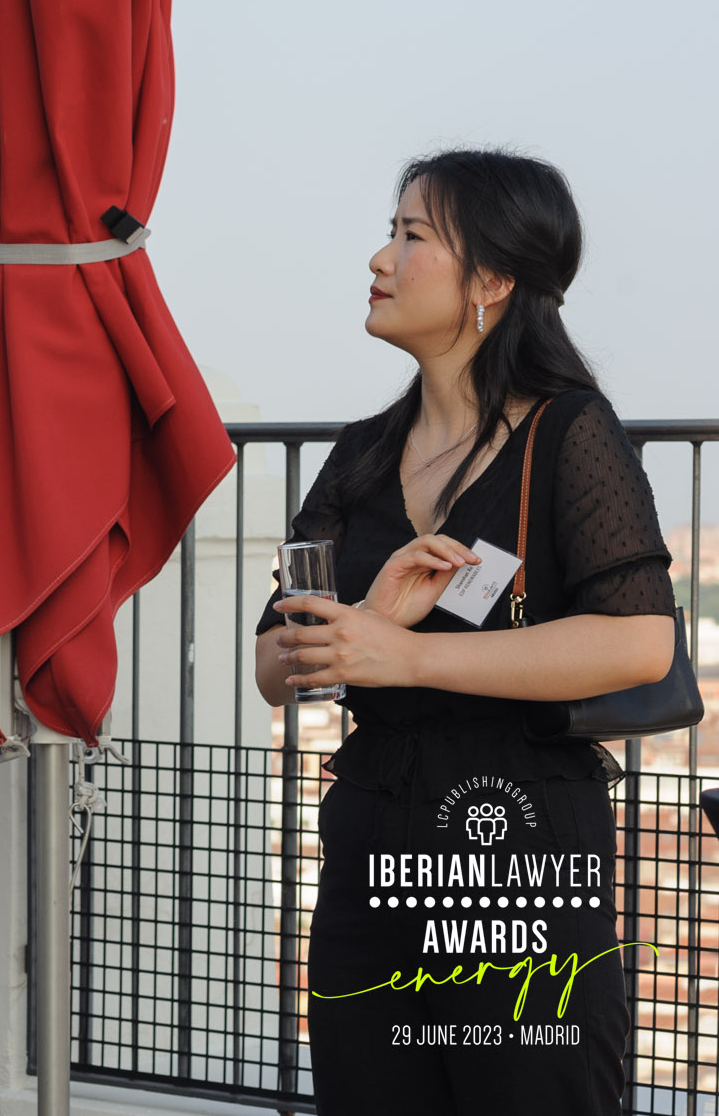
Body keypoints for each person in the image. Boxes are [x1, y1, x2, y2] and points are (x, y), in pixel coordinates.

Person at [252, 149, 675, 1114]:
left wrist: (407, 655)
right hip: (372, 850)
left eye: (412, 236)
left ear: (492, 281)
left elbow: (639, 640)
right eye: (390, 232)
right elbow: (276, 665)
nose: (380, 259)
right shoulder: (359, 456)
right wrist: (364, 626)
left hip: (518, 851)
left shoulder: (570, 432)